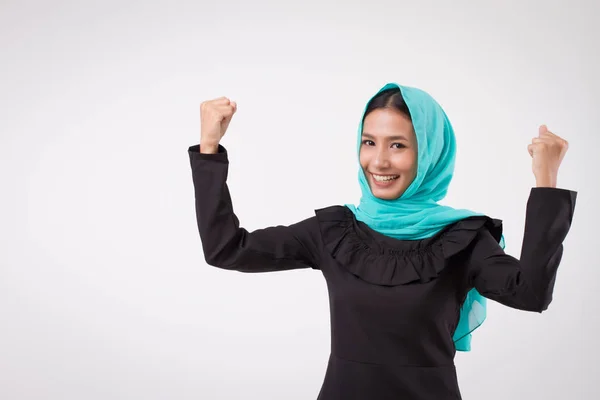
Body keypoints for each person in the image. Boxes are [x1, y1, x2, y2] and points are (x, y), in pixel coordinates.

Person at [187, 83, 577, 399]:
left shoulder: (463, 239)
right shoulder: (335, 230)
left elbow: (531, 294)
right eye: (369, 142)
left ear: (429, 154)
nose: (379, 162)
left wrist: (546, 183)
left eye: (398, 145)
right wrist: (209, 150)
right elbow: (227, 249)